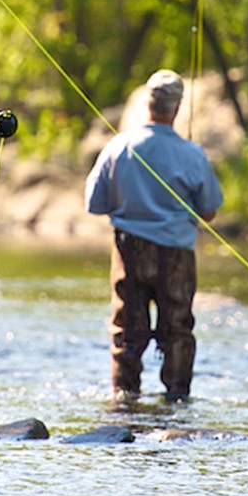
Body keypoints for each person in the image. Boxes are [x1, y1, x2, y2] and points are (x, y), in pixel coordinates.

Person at [84, 69, 223, 403]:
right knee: (177, 328)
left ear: (148, 103)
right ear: (177, 108)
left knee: (126, 330)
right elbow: (209, 211)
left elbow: (95, 204)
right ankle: (177, 399)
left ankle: (124, 399)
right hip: (176, 253)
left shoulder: (117, 146)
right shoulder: (193, 154)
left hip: (128, 250)